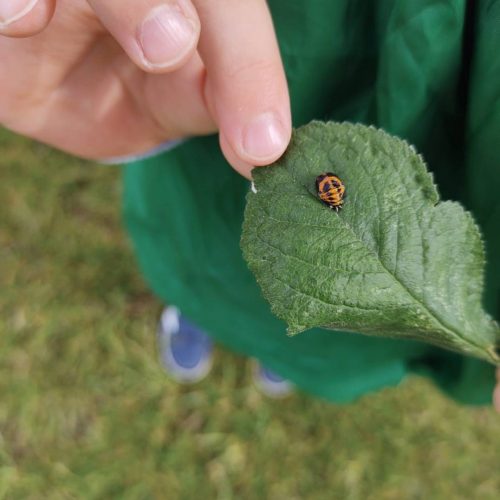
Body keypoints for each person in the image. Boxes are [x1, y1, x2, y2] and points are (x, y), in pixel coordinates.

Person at [1, 0, 499, 408]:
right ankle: (199, 310)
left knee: (348, 311)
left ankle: (287, 352)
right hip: (290, 39)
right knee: (211, 215)